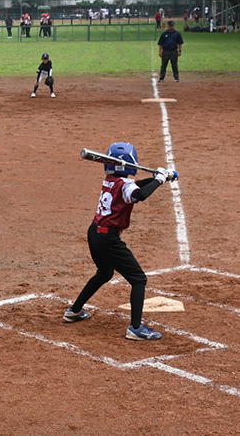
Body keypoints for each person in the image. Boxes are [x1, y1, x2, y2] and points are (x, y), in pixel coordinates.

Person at [63, 142, 177, 340]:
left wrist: (158, 179)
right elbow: (139, 194)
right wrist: (158, 180)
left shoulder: (110, 180)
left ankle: (74, 311)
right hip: (108, 239)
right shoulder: (124, 185)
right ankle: (135, 328)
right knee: (139, 279)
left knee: (105, 272)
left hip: (95, 233)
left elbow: (134, 186)